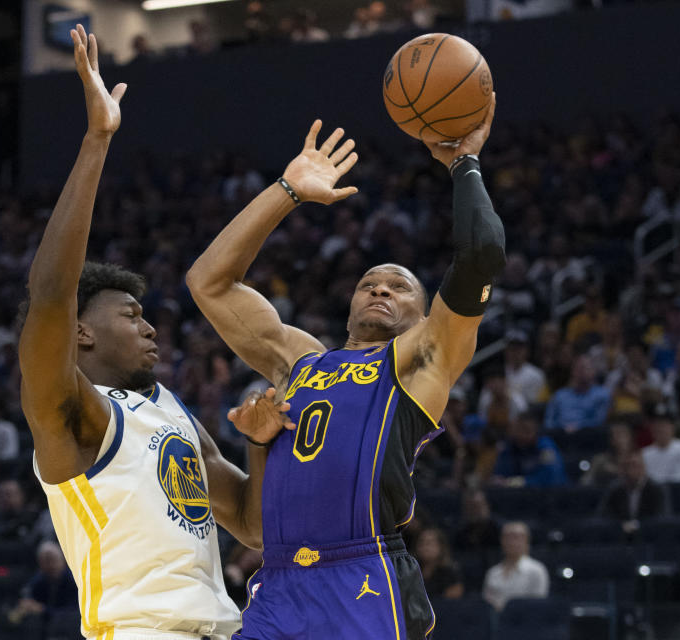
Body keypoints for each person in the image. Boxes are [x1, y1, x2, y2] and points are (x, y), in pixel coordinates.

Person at [187, 93, 503, 638]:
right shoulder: (300, 360)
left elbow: (479, 255)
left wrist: (463, 163)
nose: (379, 286)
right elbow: (209, 283)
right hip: (280, 580)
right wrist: (285, 192)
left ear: (425, 315)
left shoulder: (421, 357)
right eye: (368, 283)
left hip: (364, 573)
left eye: (398, 285)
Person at [18, 25, 293, 640]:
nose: (150, 326)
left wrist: (259, 442)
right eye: (131, 314)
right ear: (81, 335)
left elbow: (251, 525)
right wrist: (96, 141)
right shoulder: (72, 414)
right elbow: (51, 297)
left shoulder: (171, 411)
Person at [482, 522, 549, 612]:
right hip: (496, 622)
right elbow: (487, 604)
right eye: (507, 537)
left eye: (516, 537)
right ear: (501, 541)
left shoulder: (537, 569)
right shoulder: (492, 572)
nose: (511, 542)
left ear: (526, 541)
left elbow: (538, 604)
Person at [490, 412, 566, 487]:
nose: (521, 434)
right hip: (517, 495)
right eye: (517, 430)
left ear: (536, 431)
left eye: (527, 430)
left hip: (550, 495)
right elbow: (500, 474)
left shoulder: (546, 447)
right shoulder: (508, 447)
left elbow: (552, 477)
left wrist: (521, 482)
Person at [597, 450, 666, 534]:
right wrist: (620, 525)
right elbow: (604, 516)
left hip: (649, 536)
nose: (629, 470)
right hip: (620, 536)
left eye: (634, 465)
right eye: (626, 466)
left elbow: (661, 518)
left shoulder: (656, 489)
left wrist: (637, 525)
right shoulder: (615, 489)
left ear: (643, 468)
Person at [543, 355, 611, 432]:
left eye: (585, 368)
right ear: (572, 372)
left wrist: (578, 427)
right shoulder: (560, 395)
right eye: (577, 368)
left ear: (593, 371)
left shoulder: (602, 395)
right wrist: (562, 428)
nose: (581, 372)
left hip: (588, 435)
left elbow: (599, 421)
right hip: (560, 433)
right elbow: (548, 422)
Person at [641, 404, 680, 484]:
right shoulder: (644, 453)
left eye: (664, 424)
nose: (660, 428)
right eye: (656, 424)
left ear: (673, 427)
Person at [413, 528, 463, 599]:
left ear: (441, 547)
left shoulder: (450, 573)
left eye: (429, 543)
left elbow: (452, 599)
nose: (425, 547)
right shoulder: (410, 571)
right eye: (421, 543)